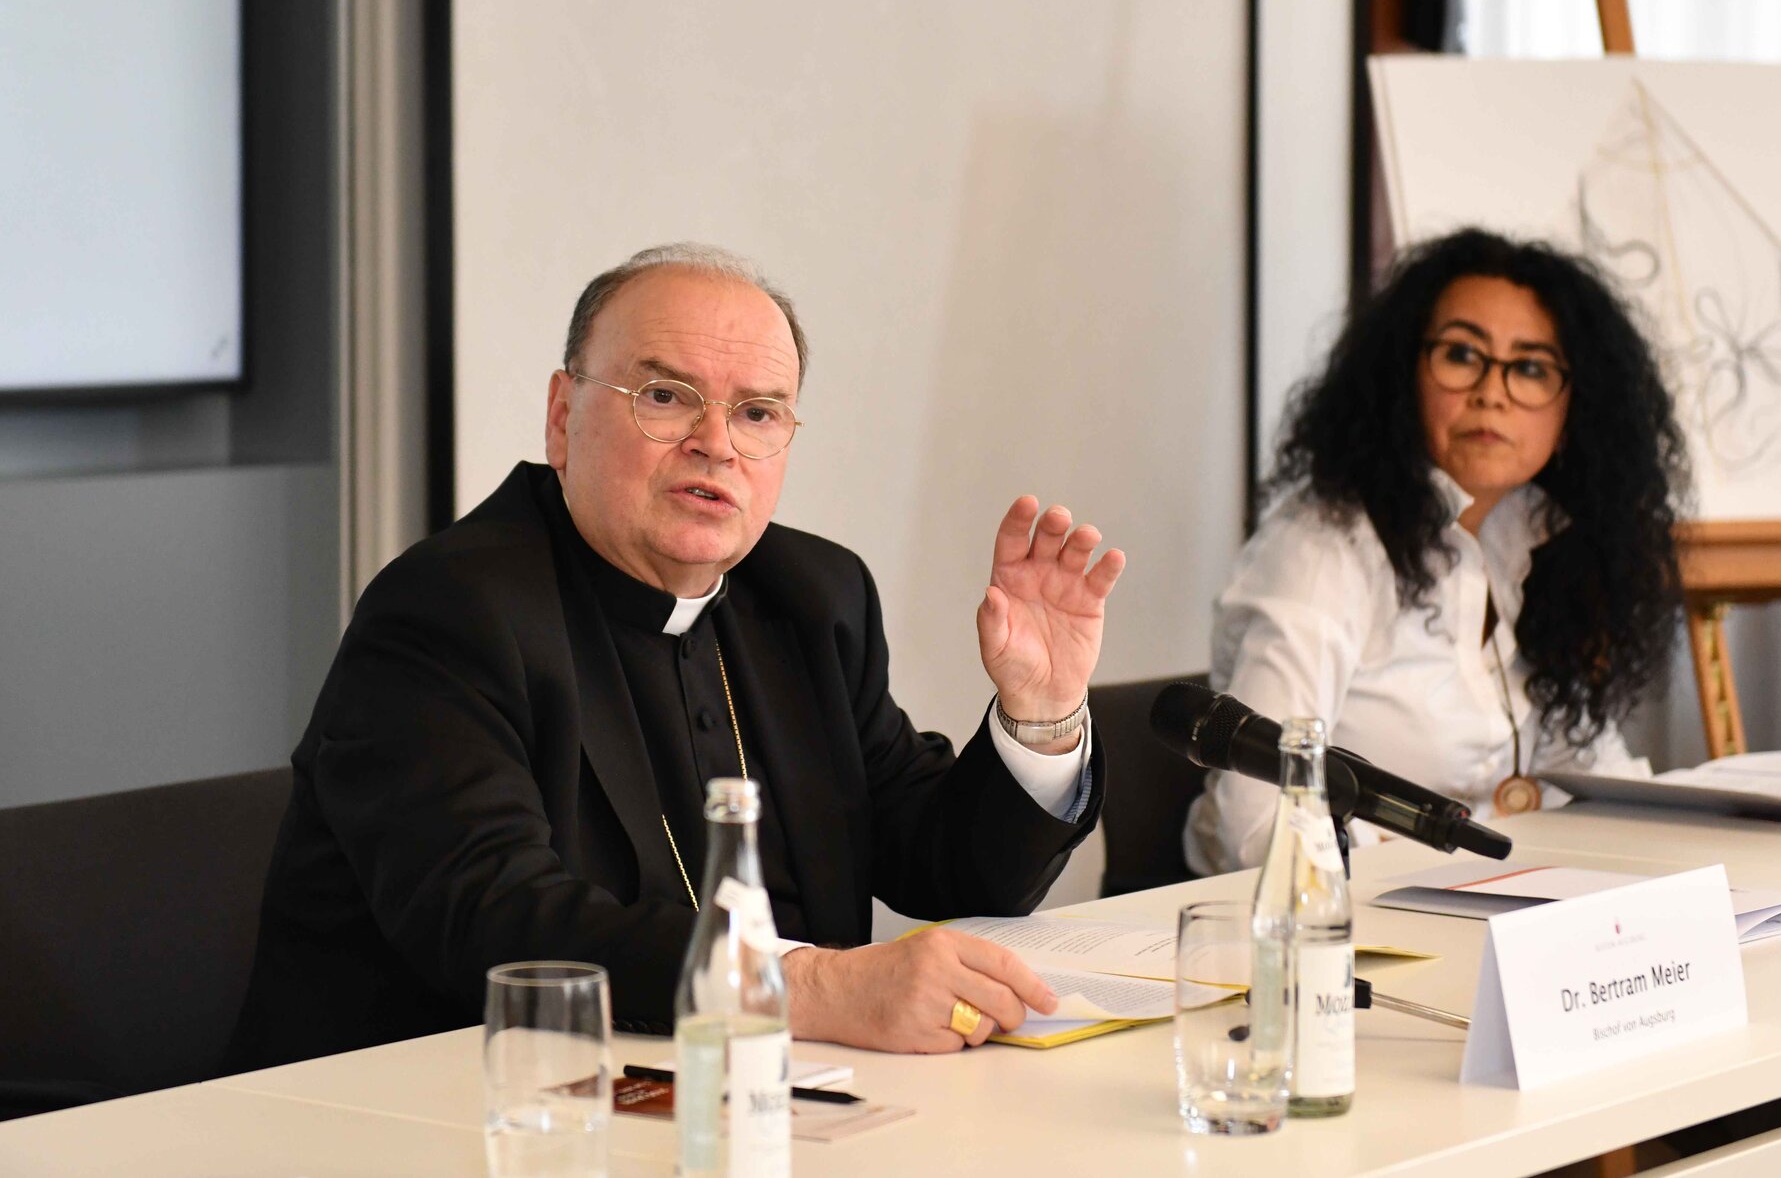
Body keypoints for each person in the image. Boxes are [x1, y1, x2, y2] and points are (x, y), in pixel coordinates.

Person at [228, 243, 1125, 1069]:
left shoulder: (813, 597)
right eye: (664, 397)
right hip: (444, 1114)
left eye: (758, 412)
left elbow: (950, 866)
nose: (716, 442)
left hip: (767, 1106)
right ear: (561, 416)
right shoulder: (448, 610)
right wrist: (811, 987)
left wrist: (1038, 713)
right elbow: (493, 916)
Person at [1185, 228, 1687, 873]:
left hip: (1490, 911)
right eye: (1461, 355)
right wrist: (1469, 841)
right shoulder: (1322, 551)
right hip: (1325, 938)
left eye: (1531, 368)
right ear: (1402, 379)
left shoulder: (1546, 545)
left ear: (1575, 412)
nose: (1493, 390)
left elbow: (1592, 773)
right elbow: (1257, 834)